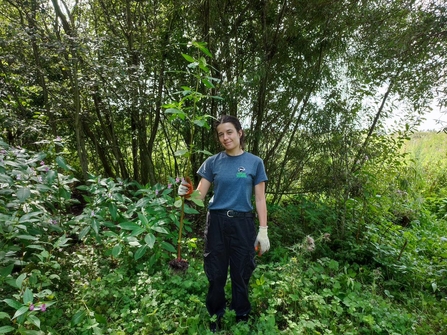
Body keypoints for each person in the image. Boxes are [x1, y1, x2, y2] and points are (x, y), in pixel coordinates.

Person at [178, 114, 270, 332]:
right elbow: (199, 196)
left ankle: (242, 316)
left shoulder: (255, 163)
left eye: (229, 132)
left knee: (241, 271)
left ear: (240, 133)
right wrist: (185, 192)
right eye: (221, 134)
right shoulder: (212, 162)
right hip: (217, 222)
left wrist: (263, 230)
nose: (225, 137)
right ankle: (215, 315)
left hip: (243, 223)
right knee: (216, 271)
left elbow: (259, 198)